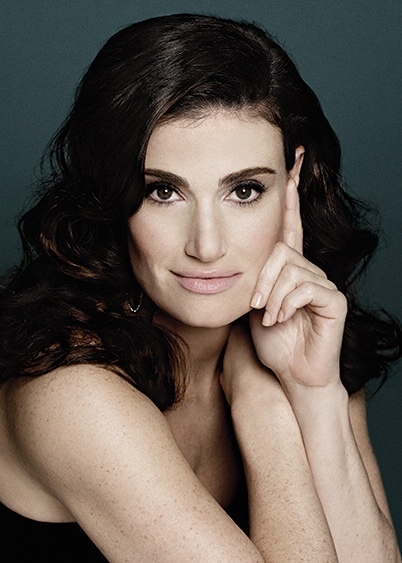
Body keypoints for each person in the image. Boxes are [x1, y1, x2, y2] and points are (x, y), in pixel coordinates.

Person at [0, 12, 401, 562]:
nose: (206, 246)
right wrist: (266, 408)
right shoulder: (72, 394)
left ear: (293, 181)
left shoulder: (305, 336)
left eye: (244, 191)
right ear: (111, 195)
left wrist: (313, 394)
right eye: (163, 192)